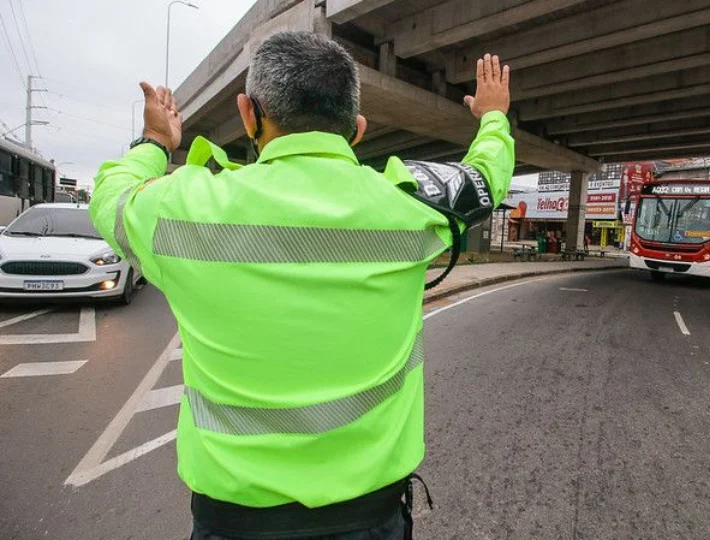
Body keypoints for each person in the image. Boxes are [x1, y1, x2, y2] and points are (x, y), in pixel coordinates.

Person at [89, 31, 514, 540]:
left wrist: (155, 143)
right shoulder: (412, 207)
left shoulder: (183, 210)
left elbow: (112, 195)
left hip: (233, 523)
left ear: (249, 114)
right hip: (369, 521)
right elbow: (486, 177)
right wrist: (493, 116)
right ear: (356, 129)